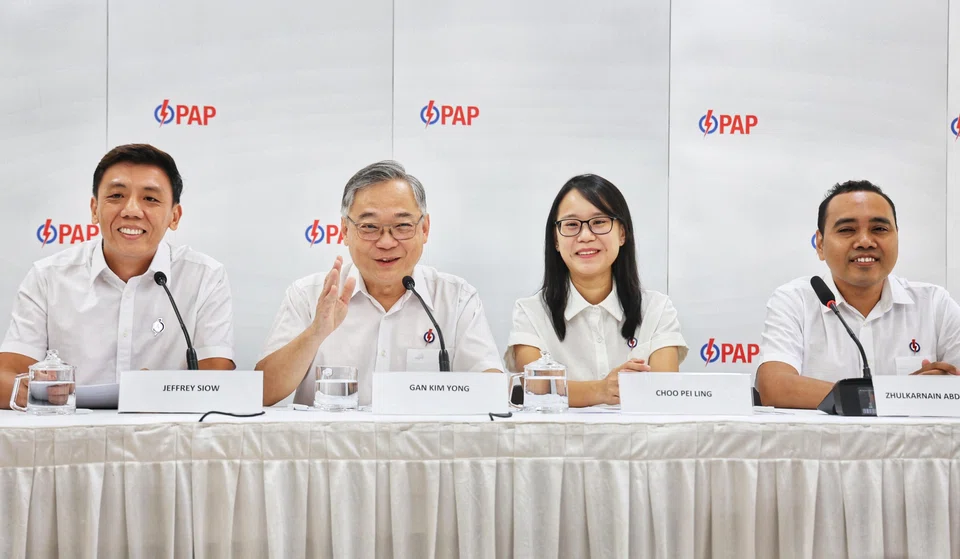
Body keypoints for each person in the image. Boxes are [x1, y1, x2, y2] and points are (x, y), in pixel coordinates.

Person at [0, 144, 235, 410]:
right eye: (116, 196)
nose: (132, 210)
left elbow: (217, 379)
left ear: (174, 215)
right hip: (71, 436)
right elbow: (5, 378)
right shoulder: (48, 277)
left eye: (150, 199)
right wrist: (37, 393)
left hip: (165, 437)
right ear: (94, 209)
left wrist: (162, 388)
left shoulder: (204, 277)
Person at [257, 160, 502, 407]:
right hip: (330, 445)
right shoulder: (308, 296)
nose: (386, 242)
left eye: (402, 226)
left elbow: (493, 394)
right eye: (369, 227)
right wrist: (315, 333)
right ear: (345, 230)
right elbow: (263, 393)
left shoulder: (456, 299)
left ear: (424, 228)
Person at [757, 180, 960, 409]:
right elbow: (774, 388)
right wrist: (903, 397)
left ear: (896, 238)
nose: (865, 241)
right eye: (847, 230)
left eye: (879, 229)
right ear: (821, 244)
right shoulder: (795, 301)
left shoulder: (934, 304)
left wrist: (944, 391)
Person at [505, 174, 687, 407]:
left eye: (599, 222)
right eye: (571, 225)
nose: (585, 236)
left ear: (622, 233)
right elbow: (537, 389)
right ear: (556, 240)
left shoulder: (657, 309)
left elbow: (664, 391)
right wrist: (601, 390)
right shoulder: (530, 312)